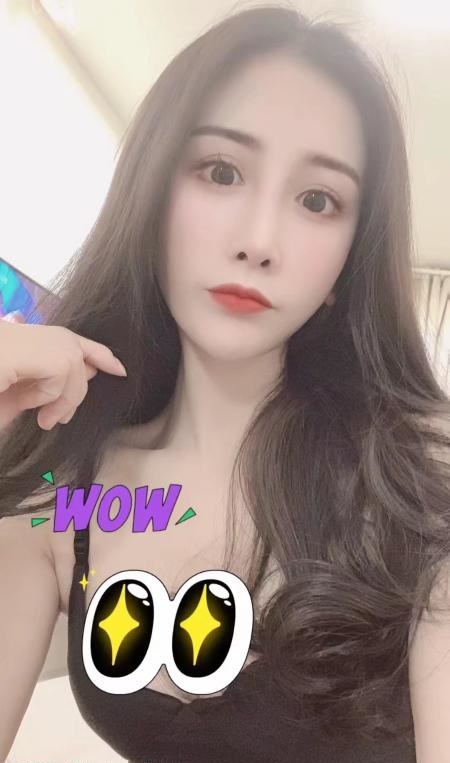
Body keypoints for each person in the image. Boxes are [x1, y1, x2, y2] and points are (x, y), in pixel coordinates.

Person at [0, 3, 449, 762]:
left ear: (348, 261)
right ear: (151, 193)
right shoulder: (63, 494)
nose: (259, 241)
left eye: (317, 200)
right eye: (221, 171)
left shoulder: (422, 478)